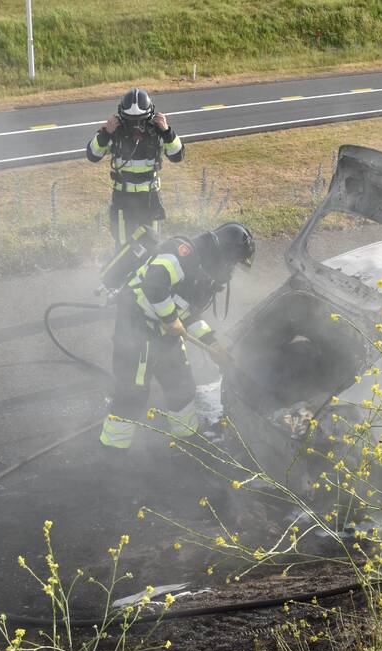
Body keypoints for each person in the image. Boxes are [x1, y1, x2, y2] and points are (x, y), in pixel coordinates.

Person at [99, 222, 255, 450]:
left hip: (164, 335)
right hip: (137, 329)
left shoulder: (207, 275)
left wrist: (212, 344)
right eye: (234, 262)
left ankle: (188, 440)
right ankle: (112, 450)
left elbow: (189, 316)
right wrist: (170, 319)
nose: (232, 269)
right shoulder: (183, 254)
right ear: (225, 254)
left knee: (182, 386)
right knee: (132, 393)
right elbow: (154, 284)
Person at [86, 87, 185, 290]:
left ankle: (148, 287)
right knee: (123, 247)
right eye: (131, 122)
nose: (135, 127)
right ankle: (117, 288)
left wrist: (167, 131)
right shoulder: (114, 132)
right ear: (121, 116)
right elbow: (93, 155)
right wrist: (105, 133)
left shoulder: (159, 131)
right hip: (123, 201)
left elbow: (177, 155)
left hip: (150, 200)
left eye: (140, 121)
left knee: (153, 245)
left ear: (149, 116)